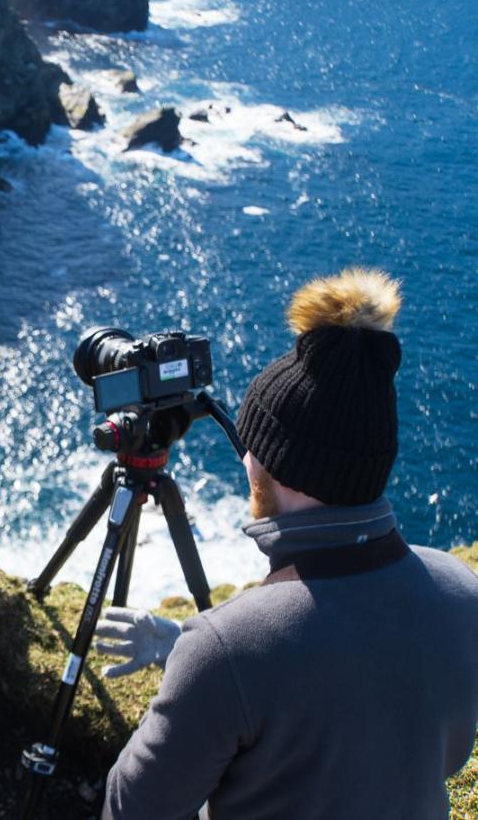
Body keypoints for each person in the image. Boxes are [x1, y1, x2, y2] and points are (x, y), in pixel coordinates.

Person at [96, 268, 478, 819]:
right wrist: (189, 648)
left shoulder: (226, 652)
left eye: (254, 445)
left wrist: (204, 668)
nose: (246, 458)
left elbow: (131, 809)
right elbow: (443, 752)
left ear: (284, 467)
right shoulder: (463, 593)